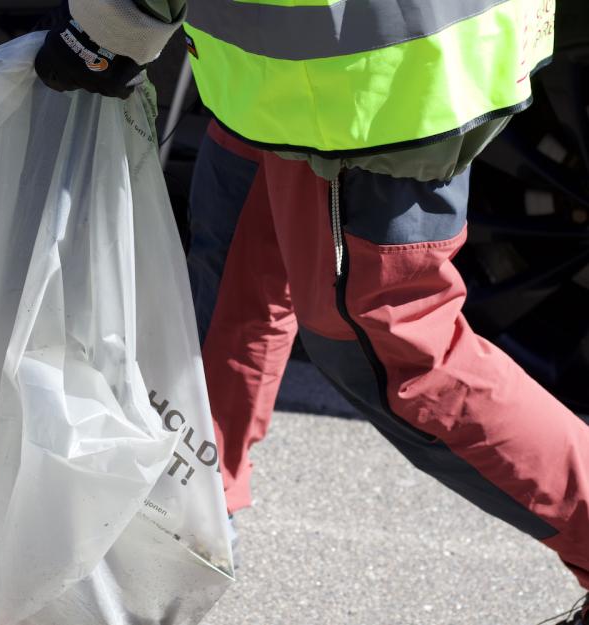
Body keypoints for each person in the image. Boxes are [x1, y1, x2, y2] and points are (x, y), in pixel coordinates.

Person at [33, 1, 589, 622]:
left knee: (393, 346)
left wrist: (114, 23)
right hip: (296, 62)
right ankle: (184, 519)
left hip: (360, 79)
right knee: (237, 272)